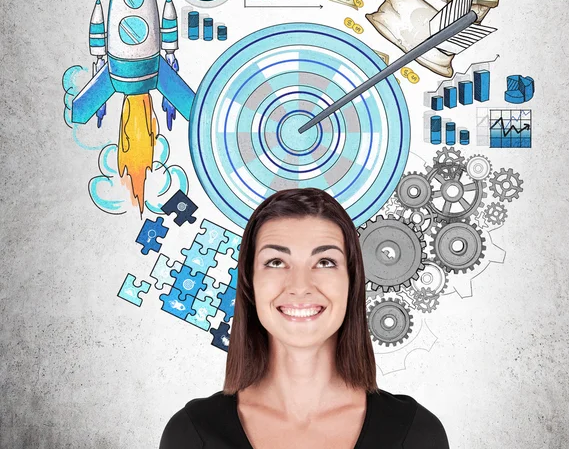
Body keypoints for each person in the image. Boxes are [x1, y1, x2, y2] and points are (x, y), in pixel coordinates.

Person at [159, 188, 450, 448]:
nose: (300, 286)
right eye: (276, 262)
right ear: (250, 282)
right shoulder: (190, 434)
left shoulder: (416, 434)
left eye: (324, 262)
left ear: (351, 281)